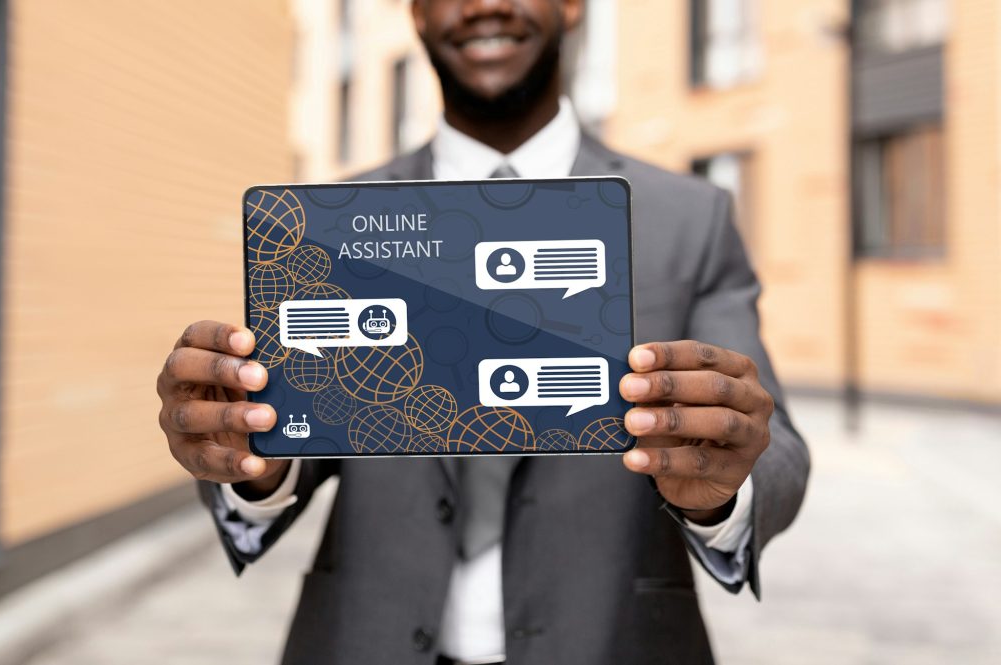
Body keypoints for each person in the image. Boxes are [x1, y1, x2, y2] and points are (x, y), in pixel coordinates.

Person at [156, 1, 809, 663]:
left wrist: (724, 481)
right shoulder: (332, 223)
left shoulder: (689, 218)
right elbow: (300, 430)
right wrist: (252, 456)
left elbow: (774, 445)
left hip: (614, 639)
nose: (484, 4)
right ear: (415, 13)